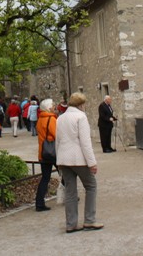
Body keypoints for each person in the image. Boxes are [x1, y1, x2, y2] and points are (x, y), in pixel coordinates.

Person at [56, 92, 103, 233]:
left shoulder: (60, 118)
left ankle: (71, 223)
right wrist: (92, 162)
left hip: (64, 158)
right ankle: (89, 220)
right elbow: (85, 142)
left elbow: (57, 141)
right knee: (91, 186)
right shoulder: (81, 117)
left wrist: (58, 161)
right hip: (78, 158)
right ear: (81, 104)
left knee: (70, 190)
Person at [35, 98, 58, 212]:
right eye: (53, 105)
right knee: (66, 174)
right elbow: (56, 134)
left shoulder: (40, 119)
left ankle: (39, 202)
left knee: (45, 178)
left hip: (43, 152)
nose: (54, 107)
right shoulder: (51, 119)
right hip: (53, 152)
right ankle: (70, 195)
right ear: (49, 108)